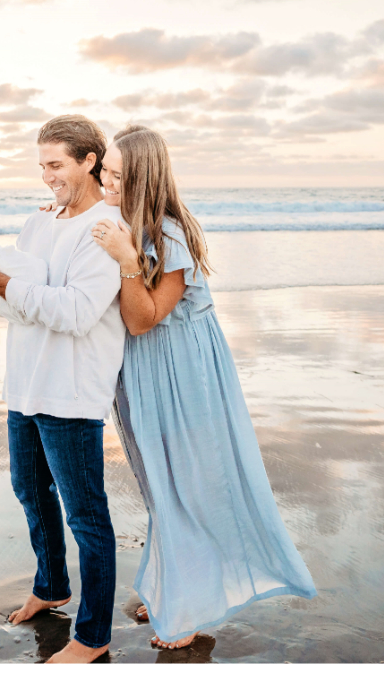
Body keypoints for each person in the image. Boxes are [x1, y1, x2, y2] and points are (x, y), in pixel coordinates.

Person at [90, 125, 317, 650]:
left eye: (118, 177)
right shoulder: (121, 221)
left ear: (144, 178)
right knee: (158, 482)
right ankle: (175, 582)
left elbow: (146, 319)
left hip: (181, 372)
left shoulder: (170, 234)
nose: (107, 183)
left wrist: (127, 261)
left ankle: (190, 605)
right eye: (105, 172)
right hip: (143, 371)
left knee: (187, 482)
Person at [0, 115, 126, 664]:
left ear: (89, 161)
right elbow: (16, 306)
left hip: (71, 388)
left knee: (86, 516)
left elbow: (77, 311)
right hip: (25, 383)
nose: (46, 177)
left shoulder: (107, 228)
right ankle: (52, 585)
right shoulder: (38, 222)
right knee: (31, 492)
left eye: (56, 165)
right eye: (41, 165)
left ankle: (93, 635)